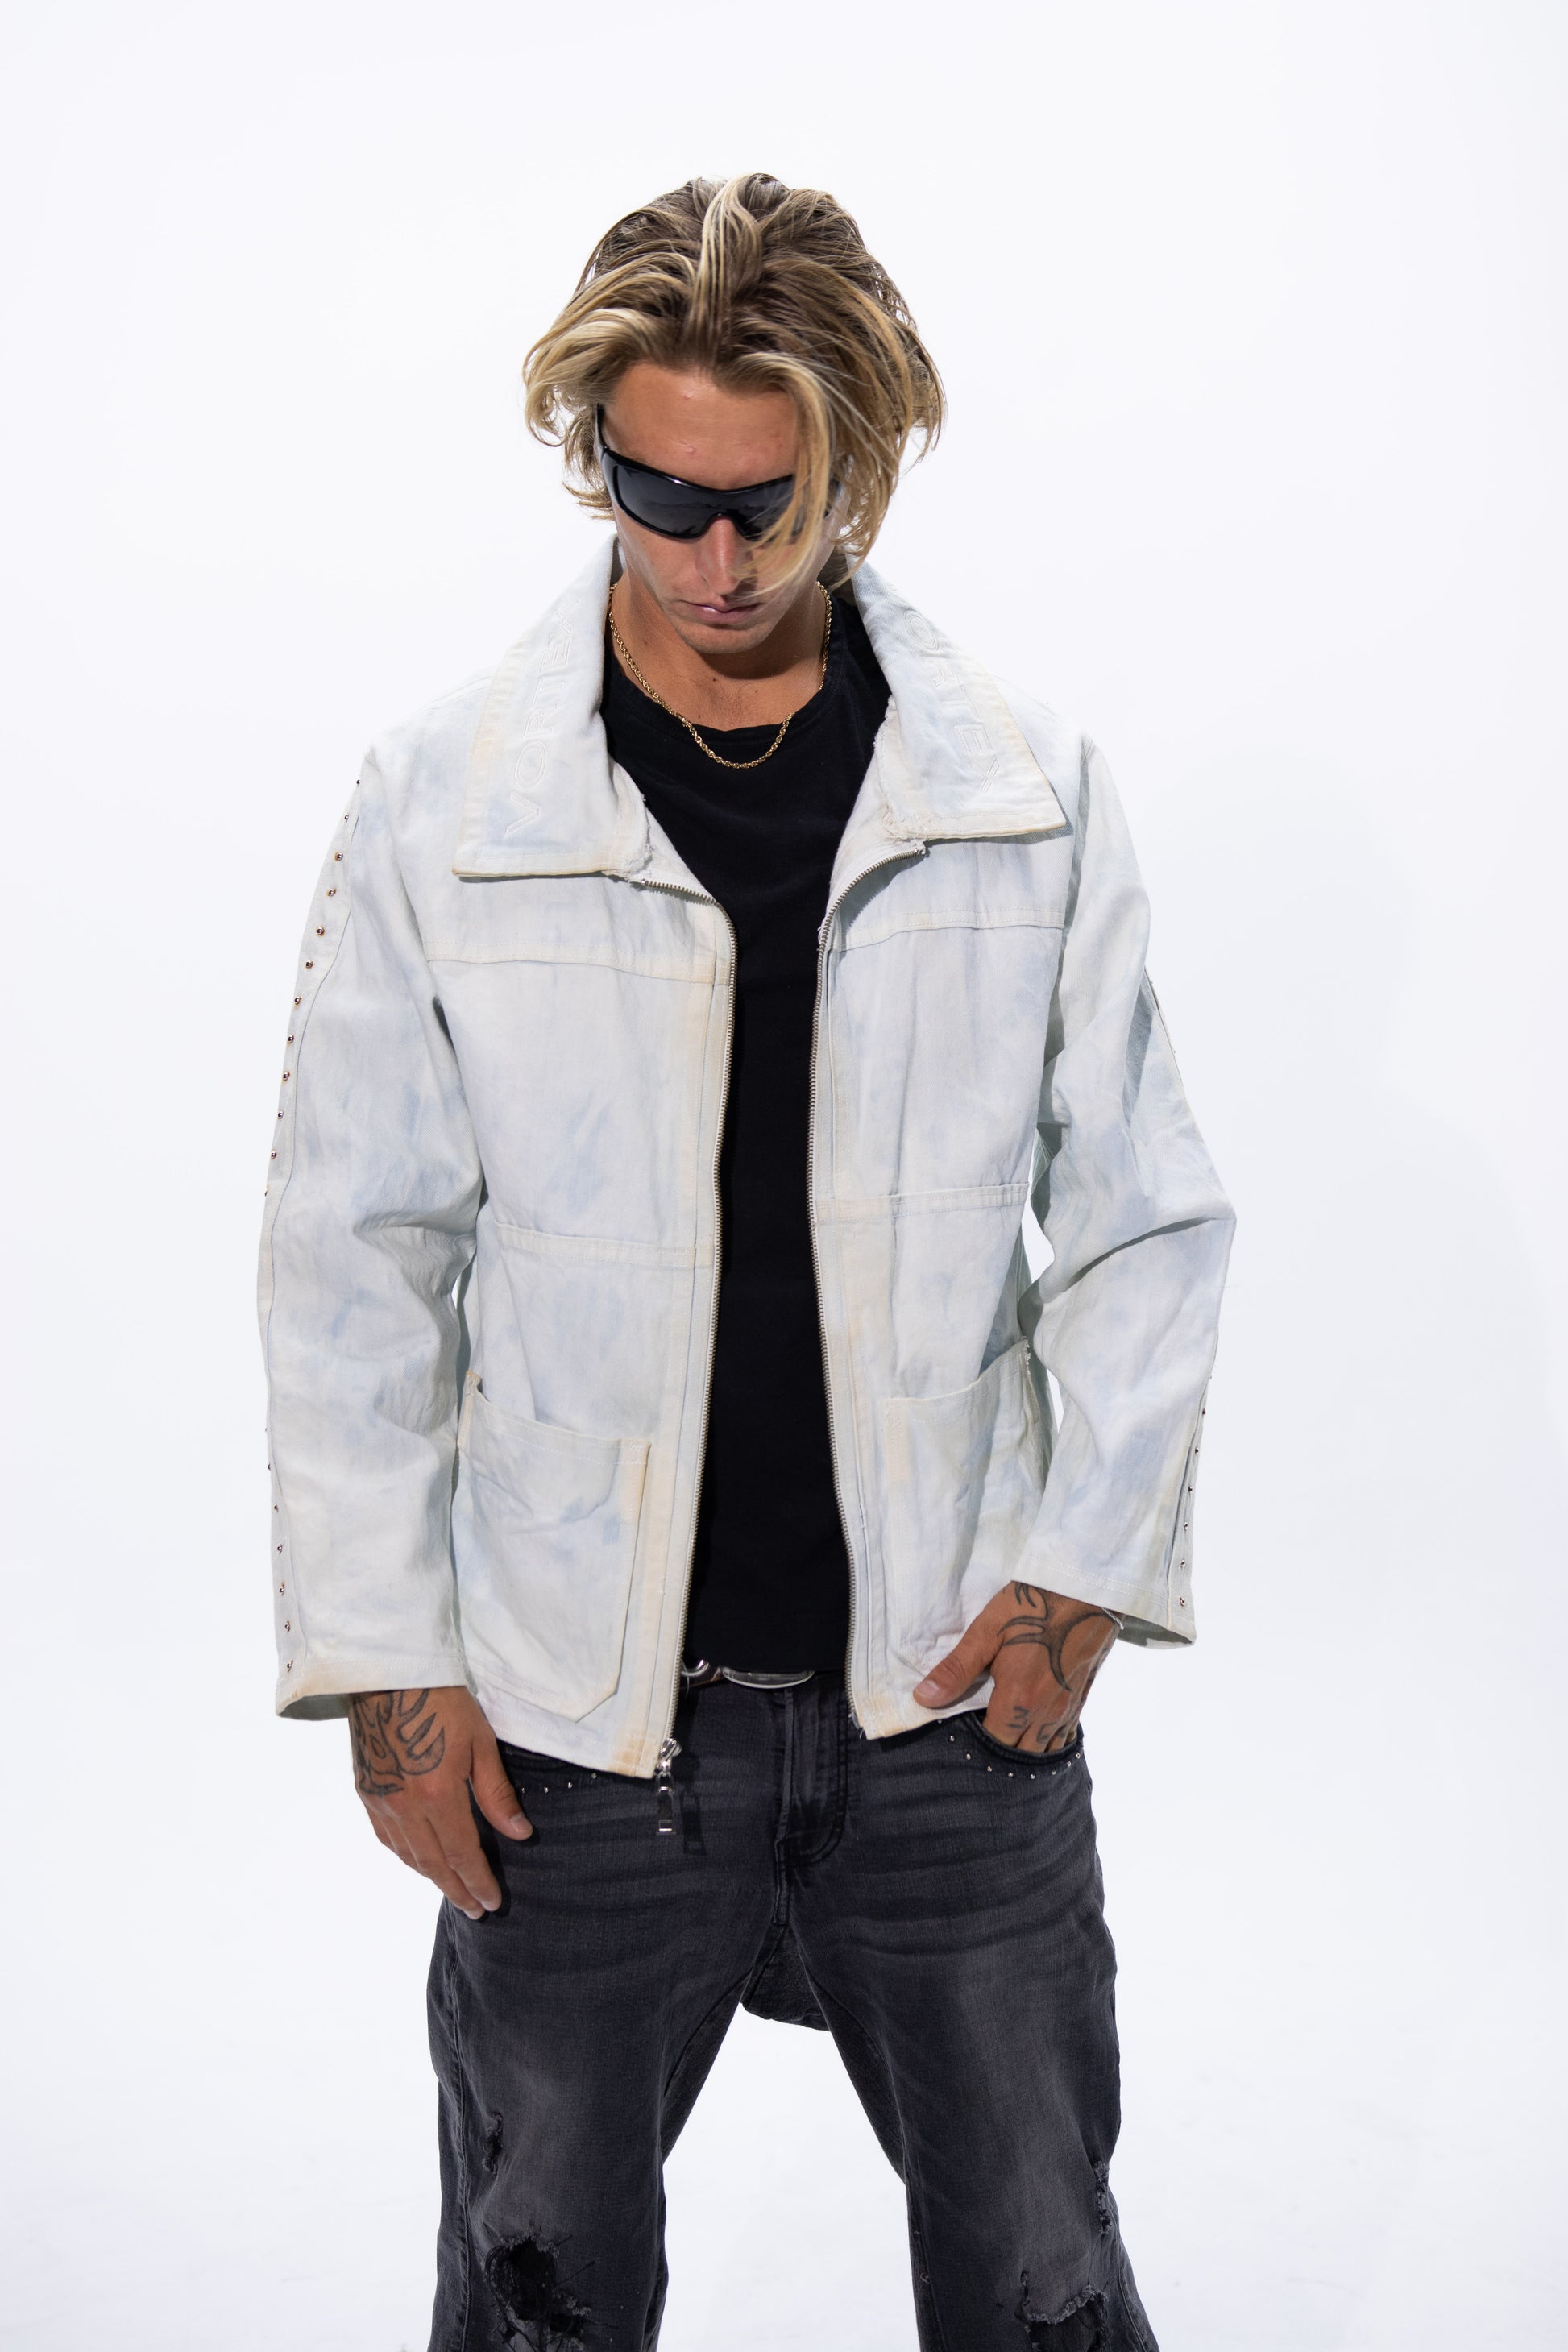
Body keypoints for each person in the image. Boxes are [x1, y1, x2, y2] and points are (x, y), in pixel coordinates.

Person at [259, 172, 1233, 2352]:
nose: (708, 558)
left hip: (945, 1703)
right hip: (574, 1727)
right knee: (537, 2295)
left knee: (1044, 2287)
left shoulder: (1022, 793)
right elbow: (353, 1255)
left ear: (855, 466)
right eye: (654, 495)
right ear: (591, 455)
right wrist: (392, 1674)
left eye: (763, 506)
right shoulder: (449, 800)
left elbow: (1147, 1212)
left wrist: (1078, 1573)